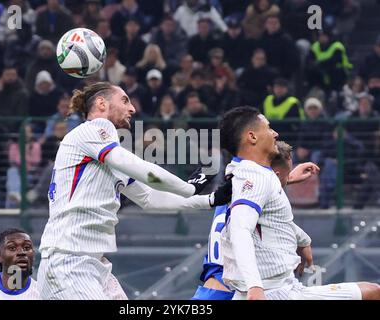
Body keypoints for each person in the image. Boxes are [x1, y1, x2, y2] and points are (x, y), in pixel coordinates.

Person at [37, 82, 233, 300]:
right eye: (124, 100)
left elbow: (150, 199)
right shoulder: (93, 130)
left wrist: (210, 199)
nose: (132, 108)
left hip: (92, 264)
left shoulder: (106, 155)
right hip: (69, 262)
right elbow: (142, 170)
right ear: (101, 104)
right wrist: (188, 187)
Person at [219, 106, 380, 300]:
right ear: (252, 137)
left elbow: (267, 210)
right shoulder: (256, 178)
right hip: (274, 292)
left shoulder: (240, 171)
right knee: (372, 293)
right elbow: (240, 229)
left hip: (255, 290)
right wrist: (255, 286)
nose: (275, 133)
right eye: (269, 128)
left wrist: (287, 179)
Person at [192, 141, 319, 300]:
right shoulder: (250, 198)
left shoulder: (233, 188)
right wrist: (304, 240)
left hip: (213, 288)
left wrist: (287, 177)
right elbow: (271, 217)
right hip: (232, 289)